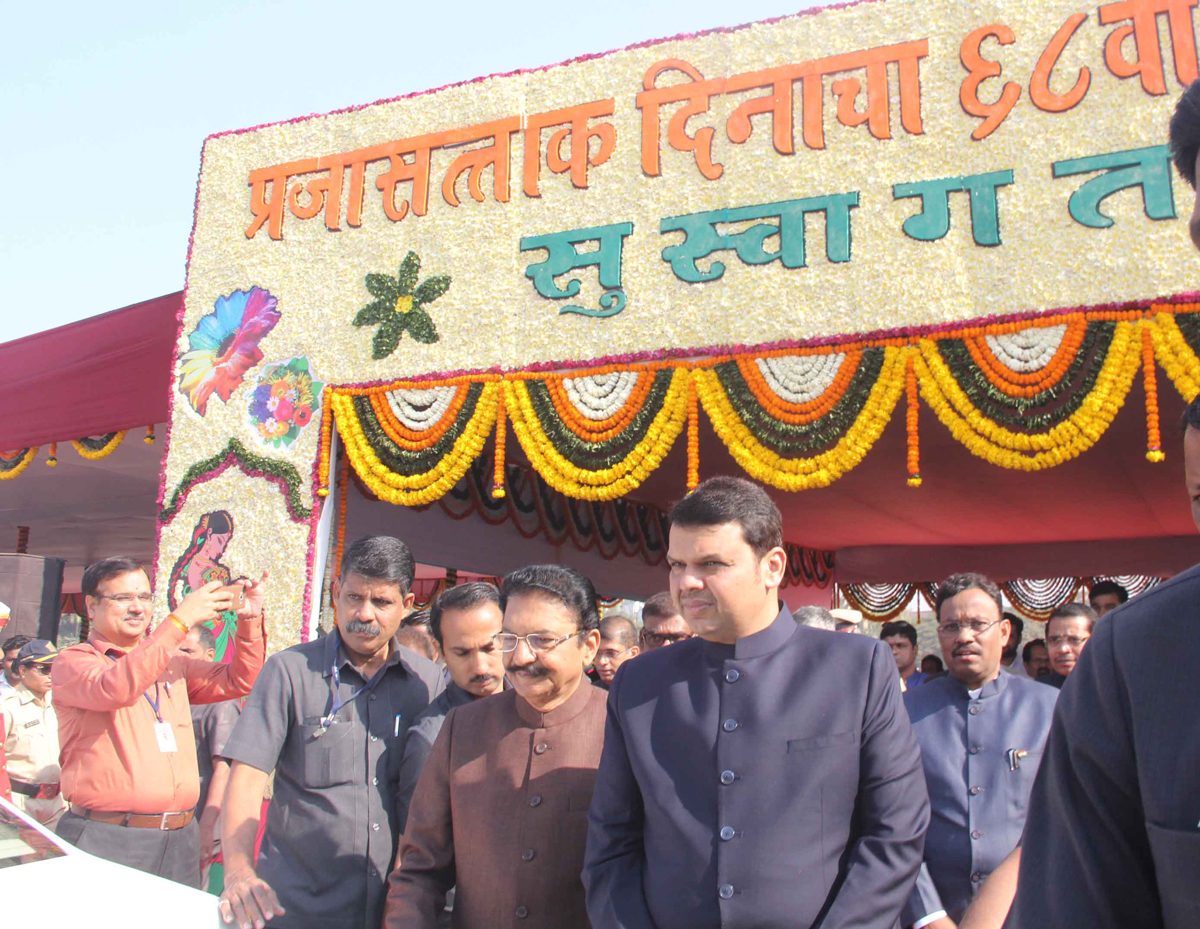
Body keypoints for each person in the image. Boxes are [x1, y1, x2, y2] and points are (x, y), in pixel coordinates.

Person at [583, 475, 929, 929]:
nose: (686, 582)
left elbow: (895, 832)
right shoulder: (639, 684)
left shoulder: (856, 668)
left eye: (710, 563)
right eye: (675, 564)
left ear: (773, 567)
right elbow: (612, 843)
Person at [219, 536, 445, 929]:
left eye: (382, 602)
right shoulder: (289, 672)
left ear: (407, 605)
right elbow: (247, 780)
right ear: (335, 593)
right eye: (354, 597)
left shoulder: (428, 685)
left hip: (395, 908)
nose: (365, 613)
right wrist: (238, 873)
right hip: (298, 907)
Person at [383, 564, 606, 929]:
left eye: (541, 640)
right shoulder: (463, 728)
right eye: (509, 639)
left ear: (589, 646)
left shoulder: (622, 732)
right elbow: (419, 869)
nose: (519, 658)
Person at [51, 556, 266, 886]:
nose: (137, 608)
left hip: (180, 837)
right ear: (91, 607)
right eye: (123, 598)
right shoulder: (75, 661)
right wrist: (180, 620)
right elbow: (117, 688)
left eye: (144, 598)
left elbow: (239, 680)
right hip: (109, 836)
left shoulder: (172, 664)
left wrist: (249, 621)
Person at [901, 573, 1058, 929]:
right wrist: (928, 915)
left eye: (977, 624)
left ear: (1003, 633)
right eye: (952, 626)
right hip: (931, 912)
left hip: (1029, 908)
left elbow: (1062, 819)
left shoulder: (1050, 708)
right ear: (940, 635)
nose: (964, 636)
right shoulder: (901, 713)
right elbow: (888, 821)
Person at [395, 581, 507, 833]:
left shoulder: (535, 707)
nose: (480, 666)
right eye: (462, 653)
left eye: (490, 648)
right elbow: (416, 842)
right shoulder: (432, 738)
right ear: (440, 650)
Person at [177, 624, 242, 893]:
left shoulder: (220, 702)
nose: (177, 655)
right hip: (167, 824)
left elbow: (224, 768)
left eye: (187, 650)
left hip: (197, 822)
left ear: (209, 655)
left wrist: (207, 824)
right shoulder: (172, 695)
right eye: (174, 649)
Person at [1, 640, 66, 825]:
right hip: (20, 804)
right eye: (44, 669)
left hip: (58, 803)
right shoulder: (7, 708)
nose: (51, 675)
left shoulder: (60, 705)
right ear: (23, 671)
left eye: (55, 668)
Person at [1042, 602, 1096, 687]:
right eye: (1054, 640)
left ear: (1095, 641)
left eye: (1074, 639)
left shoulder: (1115, 687)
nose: (1063, 649)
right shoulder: (1041, 690)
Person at [593, 615, 639, 688]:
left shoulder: (648, 693)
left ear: (633, 653)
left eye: (611, 653)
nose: (602, 661)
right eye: (597, 652)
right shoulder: (589, 694)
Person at [881, 619, 928, 690]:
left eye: (900, 646)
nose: (894, 652)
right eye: (888, 647)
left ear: (915, 650)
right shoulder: (872, 685)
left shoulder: (929, 683)